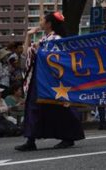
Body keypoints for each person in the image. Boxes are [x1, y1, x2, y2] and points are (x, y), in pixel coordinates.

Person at [16, 11, 85, 151]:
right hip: (40, 77)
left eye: (42, 20)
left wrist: (39, 49)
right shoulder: (44, 39)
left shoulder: (56, 38)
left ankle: (68, 136)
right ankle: (31, 138)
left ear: (49, 24)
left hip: (51, 79)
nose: (40, 22)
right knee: (35, 106)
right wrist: (29, 35)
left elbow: (55, 59)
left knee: (59, 107)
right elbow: (26, 54)